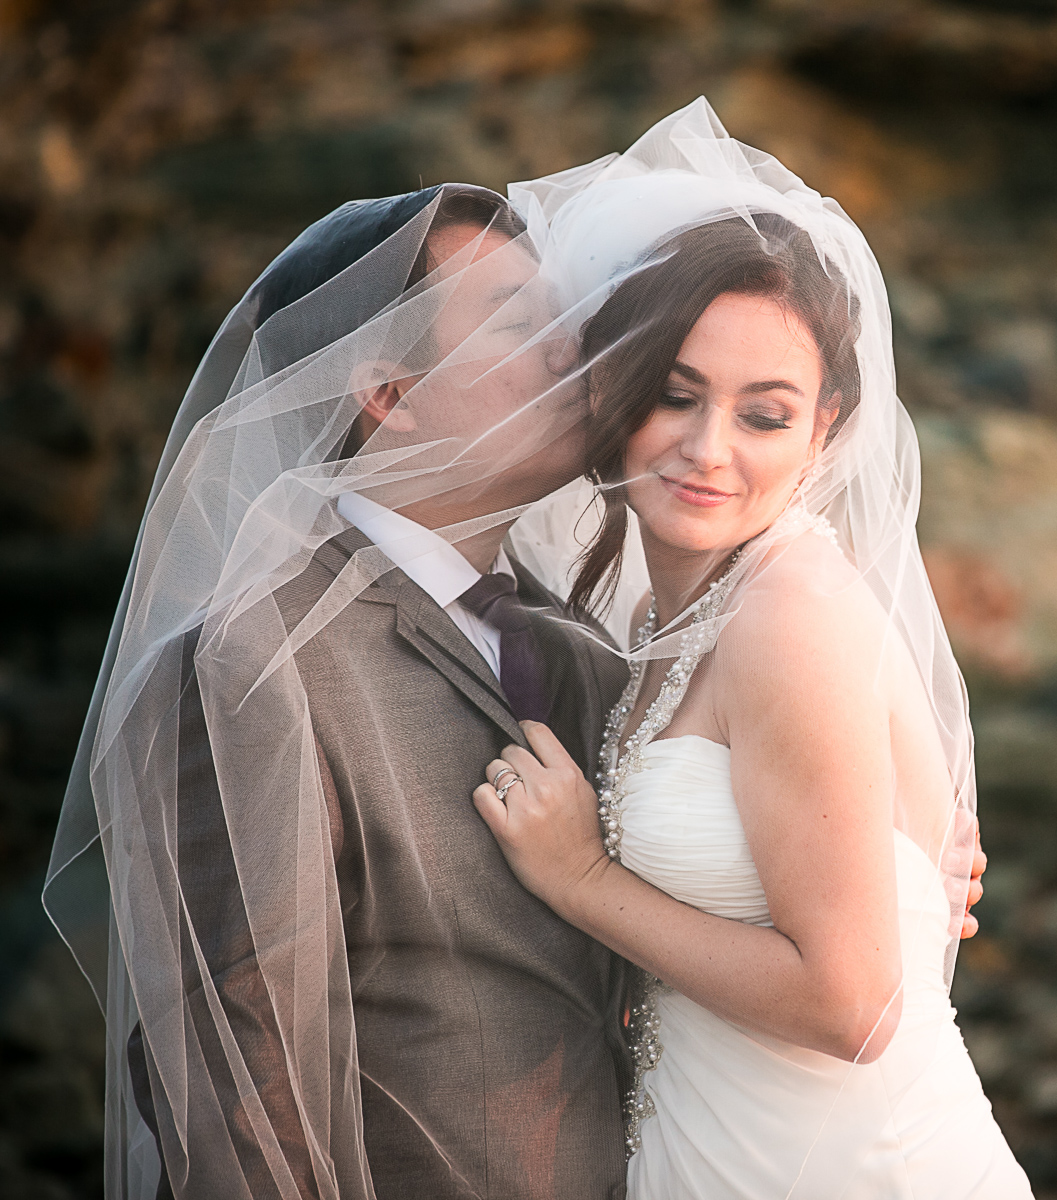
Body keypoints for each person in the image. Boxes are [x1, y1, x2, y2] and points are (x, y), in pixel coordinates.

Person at [478, 99, 1032, 1198]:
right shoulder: (671, 615)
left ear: (824, 429)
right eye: (674, 394)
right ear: (614, 393)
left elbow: (856, 1005)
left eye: (763, 416)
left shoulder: (790, 614)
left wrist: (584, 878)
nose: (706, 449)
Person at [45, 184, 642, 1200]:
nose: (570, 347)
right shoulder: (249, 659)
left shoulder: (590, 652)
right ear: (388, 396)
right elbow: (239, 1082)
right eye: (515, 320)